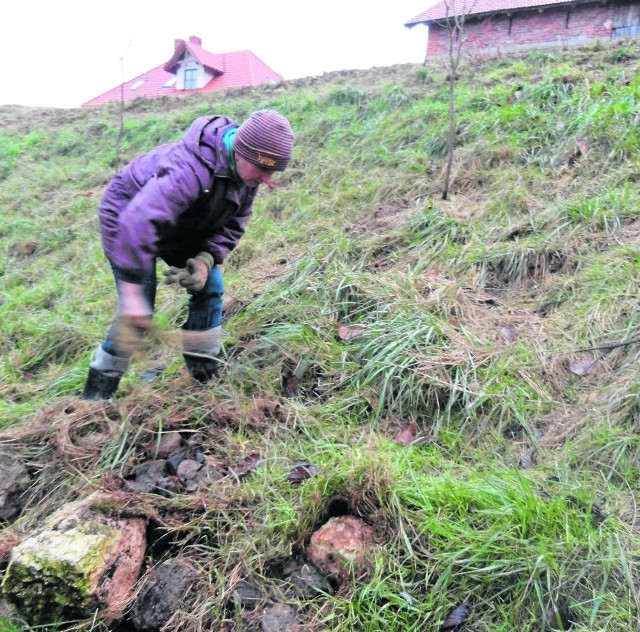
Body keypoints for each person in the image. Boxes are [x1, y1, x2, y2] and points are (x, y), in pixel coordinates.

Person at [82, 109, 295, 400]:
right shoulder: (189, 169)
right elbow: (138, 223)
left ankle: (205, 377)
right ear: (242, 152)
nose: (267, 178)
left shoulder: (248, 177)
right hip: (129, 218)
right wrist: (132, 293)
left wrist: (206, 261)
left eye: (272, 171)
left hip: (183, 224)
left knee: (211, 288)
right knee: (137, 313)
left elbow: (234, 223)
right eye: (262, 168)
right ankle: (97, 395)